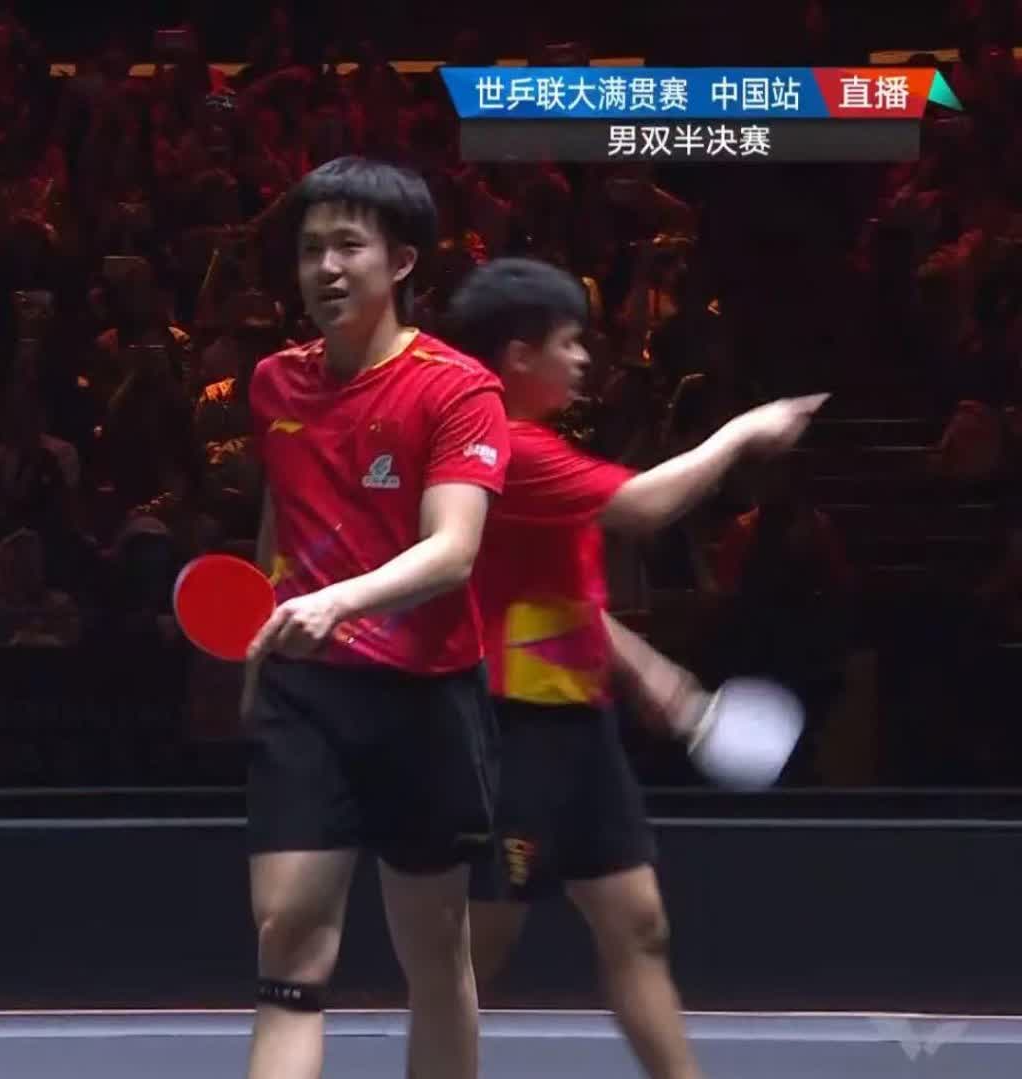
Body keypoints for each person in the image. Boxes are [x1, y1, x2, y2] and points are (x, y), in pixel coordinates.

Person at [436, 258, 826, 1079]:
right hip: (509, 729)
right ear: (517, 356)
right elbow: (643, 507)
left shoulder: (537, 447)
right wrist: (742, 433)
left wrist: (651, 675)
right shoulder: (503, 448)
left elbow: (561, 598)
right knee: (478, 950)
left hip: (578, 727)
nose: (585, 359)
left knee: (637, 923)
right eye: (569, 343)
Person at [241, 157, 510, 1079]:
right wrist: (259, 643)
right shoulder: (274, 384)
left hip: (423, 696)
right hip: (306, 694)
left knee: (433, 953)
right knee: (287, 948)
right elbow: (281, 517)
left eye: (348, 246)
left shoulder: (457, 388)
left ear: (400, 261)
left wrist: (337, 599)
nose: (325, 268)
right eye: (310, 248)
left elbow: (454, 549)